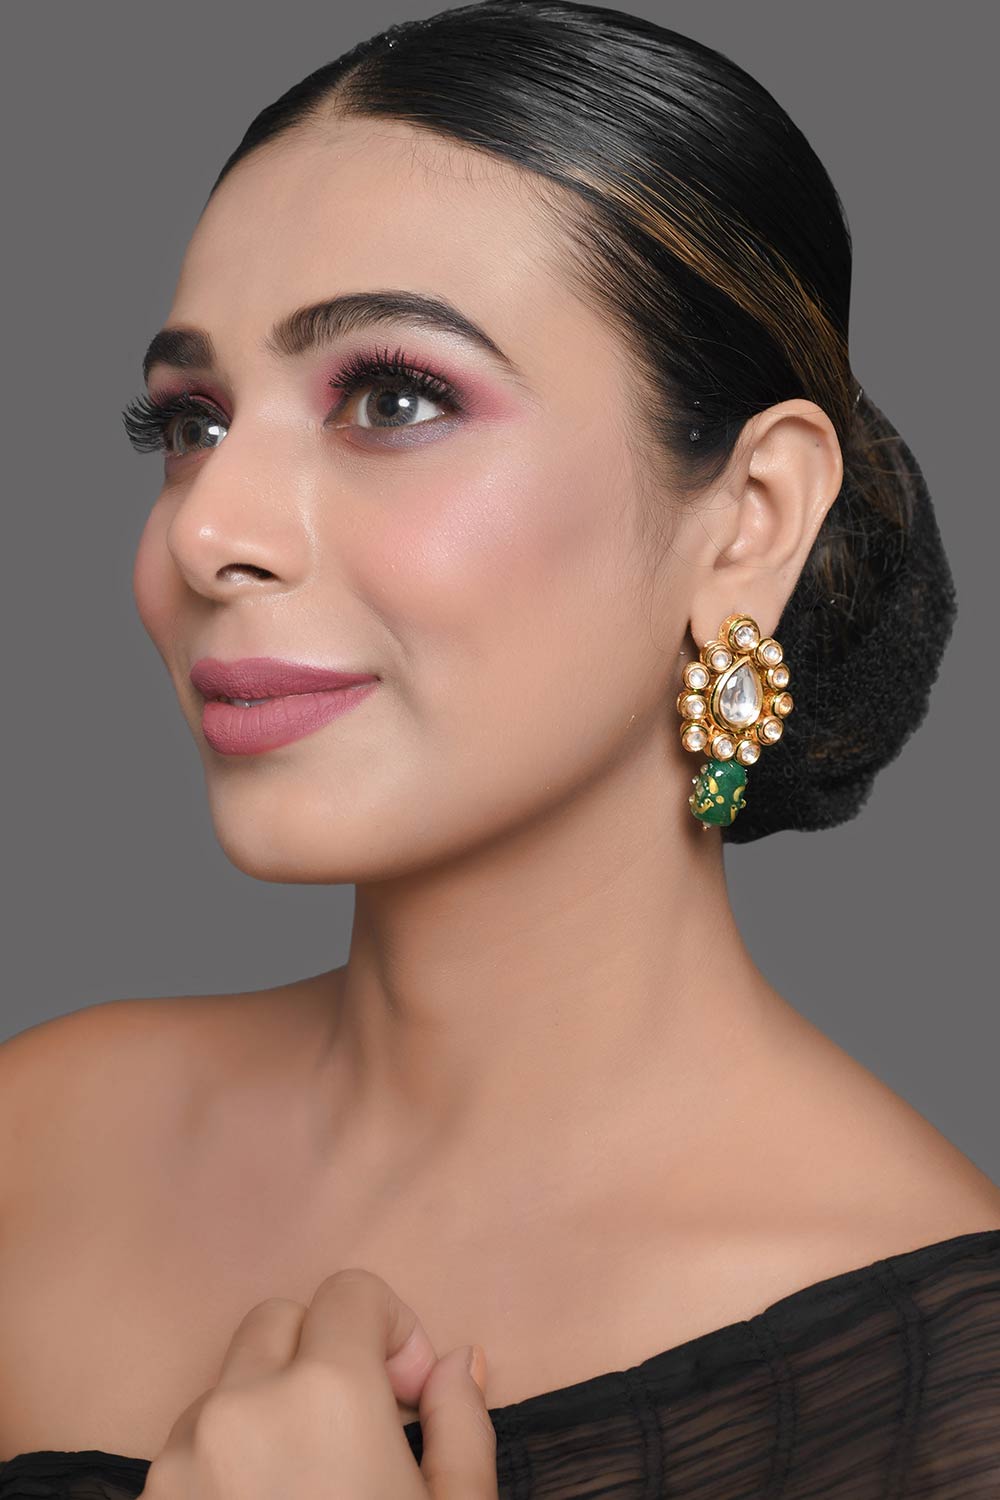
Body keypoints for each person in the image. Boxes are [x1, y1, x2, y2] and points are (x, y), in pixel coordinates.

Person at [2, 1, 998, 1495]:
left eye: (393, 399)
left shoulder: (948, 1393)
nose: (206, 532)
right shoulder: (33, 1146)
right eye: (191, 422)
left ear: (751, 520)